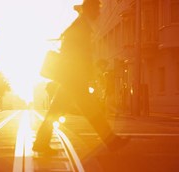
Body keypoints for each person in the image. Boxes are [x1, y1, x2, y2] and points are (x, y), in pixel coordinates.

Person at [33, 0, 129, 154]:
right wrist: (84, 73)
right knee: (90, 110)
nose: (99, 11)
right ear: (90, 9)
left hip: (71, 77)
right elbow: (77, 54)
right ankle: (111, 141)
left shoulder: (81, 25)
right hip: (74, 77)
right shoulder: (81, 26)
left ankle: (41, 142)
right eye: (97, 8)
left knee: (58, 111)